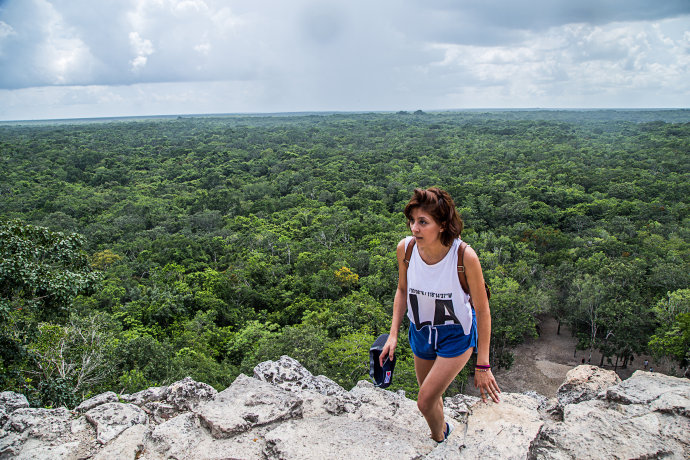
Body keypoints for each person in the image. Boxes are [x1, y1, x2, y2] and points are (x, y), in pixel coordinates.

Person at [379, 187, 500, 444]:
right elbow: (402, 290)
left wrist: (483, 363)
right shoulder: (406, 250)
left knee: (424, 400)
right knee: (432, 396)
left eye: (423, 222)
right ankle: (442, 432)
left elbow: (482, 309)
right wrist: (393, 334)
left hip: (455, 334)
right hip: (421, 331)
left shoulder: (464, 256)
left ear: (443, 225)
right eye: (412, 221)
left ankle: (439, 438)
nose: (414, 228)